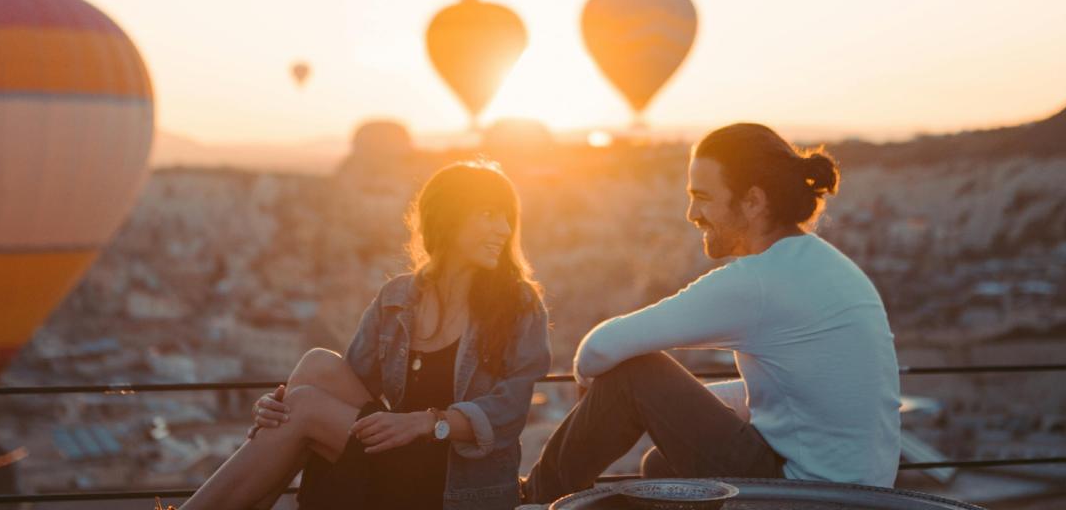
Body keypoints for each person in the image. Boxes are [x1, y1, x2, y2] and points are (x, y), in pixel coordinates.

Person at [522, 123, 901, 505]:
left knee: (635, 373)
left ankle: (533, 497)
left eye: (702, 197)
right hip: (857, 498)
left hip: (802, 496)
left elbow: (600, 347)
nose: (691, 214)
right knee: (661, 469)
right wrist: (673, 403)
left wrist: (596, 383)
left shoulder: (757, 282)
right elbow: (799, 396)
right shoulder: (828, 266)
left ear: (753, 202)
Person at [172, 159, 551, 510]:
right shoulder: (399, 297)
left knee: (303, 406)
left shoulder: (517, 303)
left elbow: (512, 408)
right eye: (488, 214)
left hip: (458, 480)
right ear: (448, 219)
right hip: (394, 455)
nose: (503, 229)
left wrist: (427, 421)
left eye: (507, 218)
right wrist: (273, 409)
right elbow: (340, 386)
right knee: (315, 366)